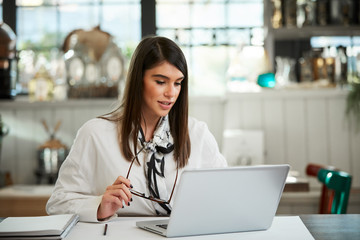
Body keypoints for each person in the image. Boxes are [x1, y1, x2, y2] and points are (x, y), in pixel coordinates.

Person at [46, 36, 227, 222]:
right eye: (160, 82)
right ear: (138, 80)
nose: (171, 93)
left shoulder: (198, 133)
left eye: (178, 83)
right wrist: (99, 206)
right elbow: (58, 204)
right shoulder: (94, 134)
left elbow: (226, 195)